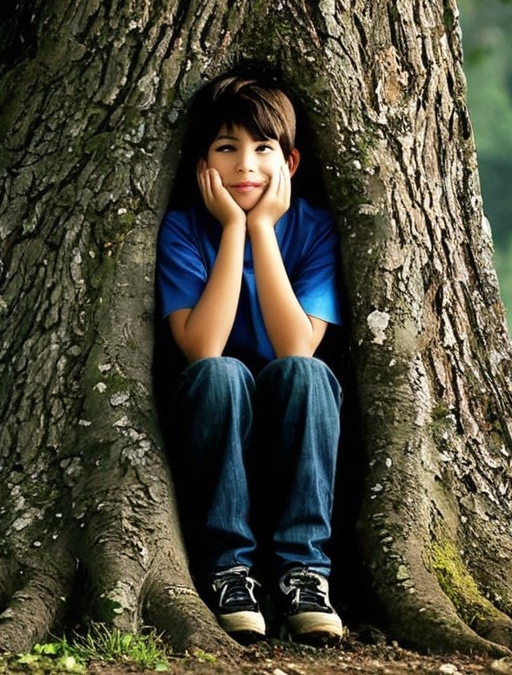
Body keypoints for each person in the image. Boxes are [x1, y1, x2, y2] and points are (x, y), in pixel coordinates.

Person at [155, 75, 345, 642]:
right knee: (221, 373)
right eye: (226, 148)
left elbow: (295, 346)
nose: (246, 165)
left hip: (293, 427)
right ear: (202, 162)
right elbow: (203, 347)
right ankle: (227, 571)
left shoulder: (314, 230)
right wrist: (233, 227)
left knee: (305, 373)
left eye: (263, 149)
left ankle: (303, 573)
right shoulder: (184, 229)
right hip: (212, 425)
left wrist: (262, 227)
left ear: (289, 161)